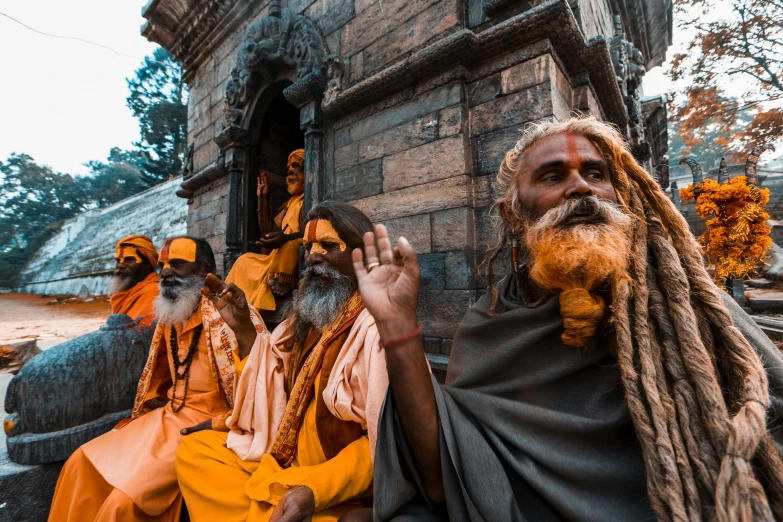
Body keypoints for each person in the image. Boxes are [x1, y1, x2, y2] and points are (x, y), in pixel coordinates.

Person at [354, 117, 783, 521]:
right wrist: (395, 323)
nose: (581, 188)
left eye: (596, 174)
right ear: (514, 214)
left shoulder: (683, 309)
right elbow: (443, 480)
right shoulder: (489, 323)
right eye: (553, 176)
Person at [176, 201, 388, 522]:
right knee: (195, 453)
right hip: (283, 462)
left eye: (328, 246)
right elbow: (271, 393)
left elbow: (385, 441)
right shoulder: (301, 322)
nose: (313, 257)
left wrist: (315, 489)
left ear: (362, 257)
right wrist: (243, 328)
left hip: (333, 487)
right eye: (307, 247)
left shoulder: (377, 330)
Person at [48, 236, 265, 522]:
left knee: (124, 502)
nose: (166, 272)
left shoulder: (237, 315)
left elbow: (264, 381)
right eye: (163, 265)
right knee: (79, 462)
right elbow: (159, 370)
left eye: (177, 264)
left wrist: (244, 332)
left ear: (205, 270)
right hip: (167, 416)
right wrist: (148, 407)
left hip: (210, 426)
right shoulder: (170, 312)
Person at [227, 149, 306, 311]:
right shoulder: (289, 203)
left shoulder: (309, 199)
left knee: (292, 242)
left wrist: (285, 238)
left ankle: (285, 281)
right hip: (274, 259)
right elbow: (268, 232)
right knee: (245, 259)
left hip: (298, 254)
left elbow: (313, 231)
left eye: (295, 165)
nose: (290, 170)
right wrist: (262, 197)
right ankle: (231, 297)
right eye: (288, 168)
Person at [109, 234, 160, 321]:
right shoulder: (130, 289)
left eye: (129, 260)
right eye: (118, 260)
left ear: (148, 263)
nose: (121, 265)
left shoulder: (153, 291)